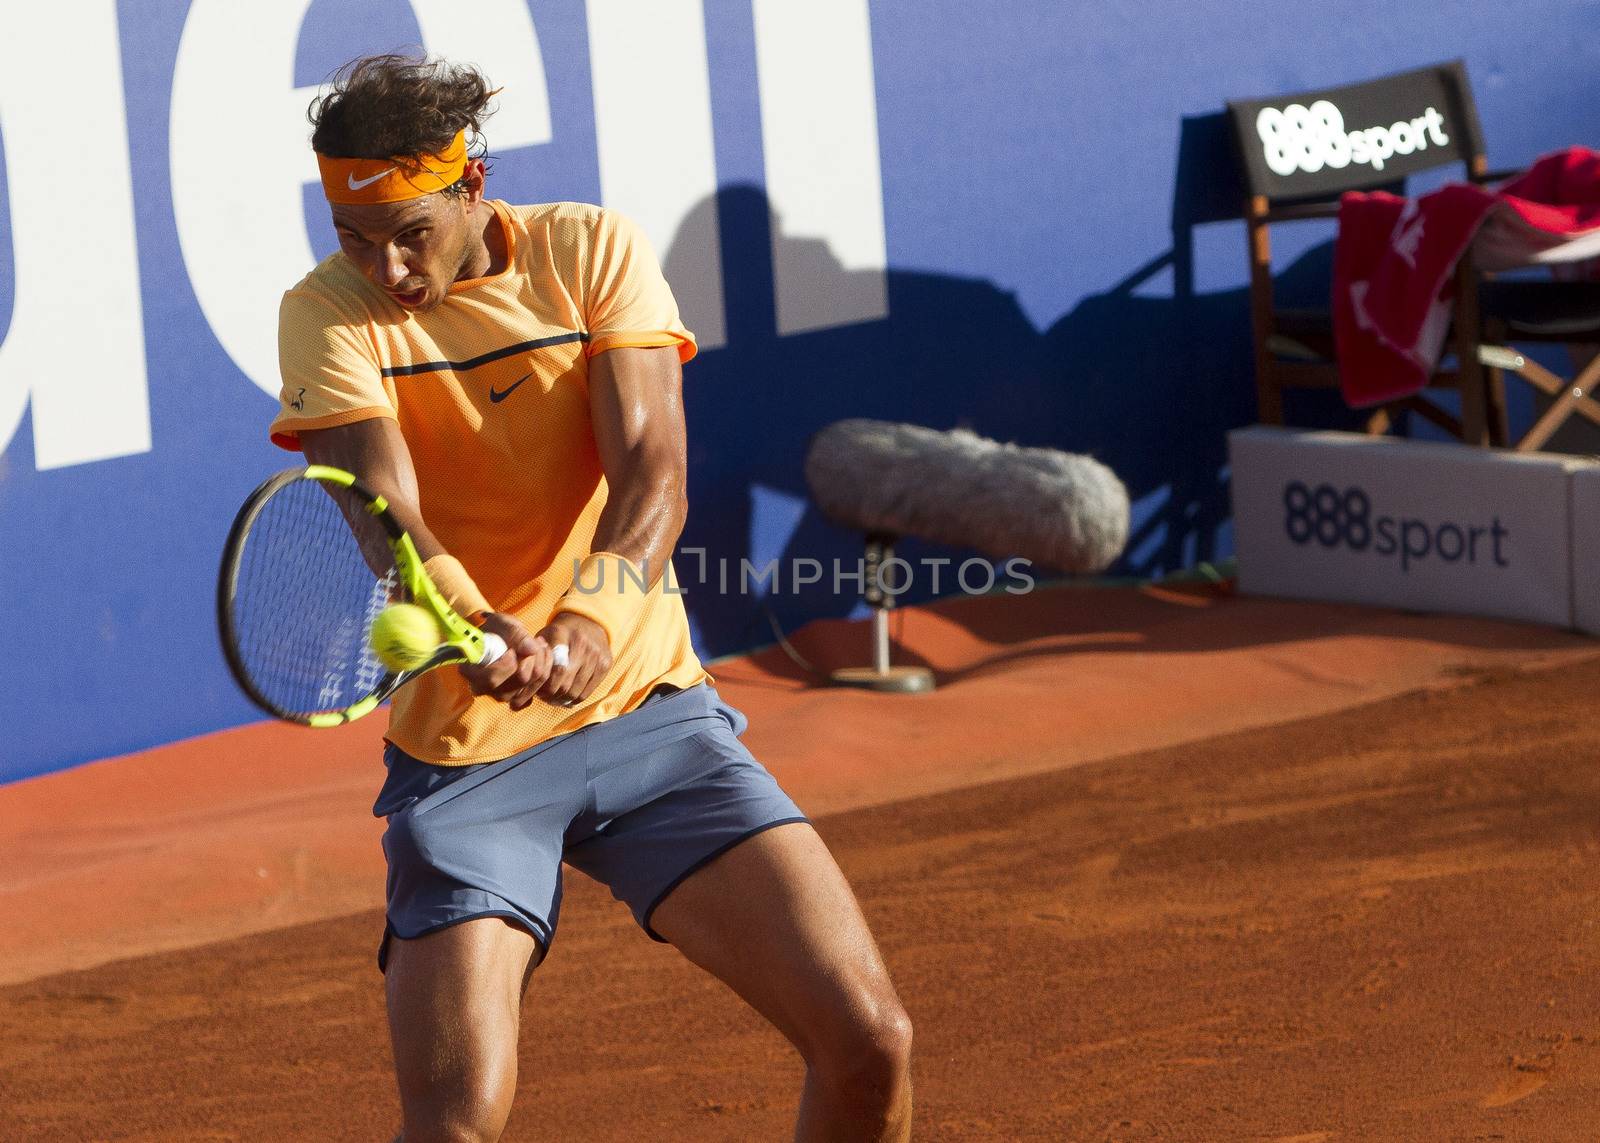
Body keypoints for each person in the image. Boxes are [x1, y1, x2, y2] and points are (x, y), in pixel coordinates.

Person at [268, 54, 913, 1141]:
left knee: (869, 1039)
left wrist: (586, 625)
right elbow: (383, 511)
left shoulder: (588, 249)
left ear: (474, 186)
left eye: (410, 232)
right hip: (468, 760)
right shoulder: (323, 313)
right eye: (353, 237)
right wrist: (473, 626)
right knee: (455, 1122)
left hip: (649, 718)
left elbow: (654, 469)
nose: (385, 266)